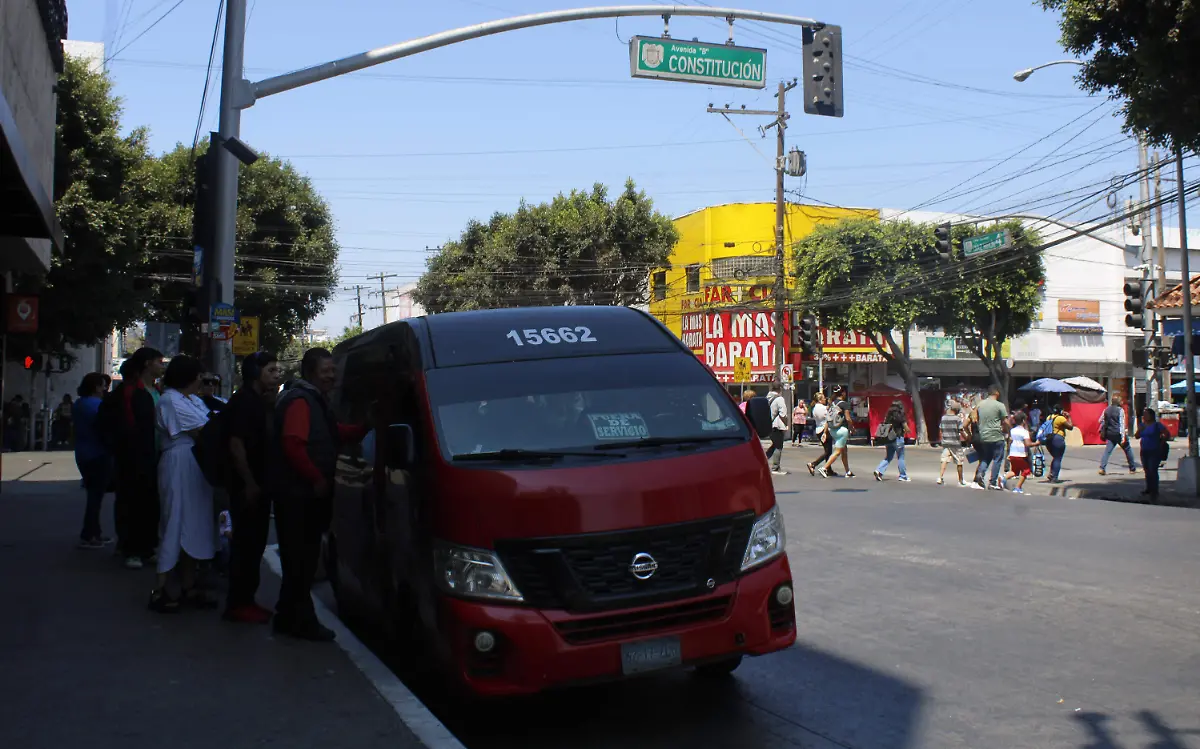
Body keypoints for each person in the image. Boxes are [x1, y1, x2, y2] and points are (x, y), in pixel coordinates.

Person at [269, 348, 366, 641]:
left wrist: (365, 427)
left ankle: (288, 617)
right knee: (301, 561)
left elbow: (332, 432)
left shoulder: (311, 400)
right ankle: (302, 620)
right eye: (326, 371)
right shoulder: (301, 401)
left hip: (298, 495)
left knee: (300, 561)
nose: (332, 375)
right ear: (311, 371)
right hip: (299, 496)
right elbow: (293, 444)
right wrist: (316, 479)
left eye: (333, 370)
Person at [149, 355, 217, 612]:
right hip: (179, 462)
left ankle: (188, 586)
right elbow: (203, 430)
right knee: (174, 520)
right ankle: (162, 588)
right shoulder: (170, 400)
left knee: (195, 523)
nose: (202, 379)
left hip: (195, 464)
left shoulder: (193, 400)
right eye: (199, 375)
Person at [223, 351, 284, 624]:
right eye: (271, 370)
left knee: (254, 543)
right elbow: (236, 445)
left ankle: (246, 599)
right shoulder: (245, 402)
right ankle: (239, 603)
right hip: (249, 487)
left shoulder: (258, 401)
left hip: (258, 484)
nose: (277, 375)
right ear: (256, 373)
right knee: (247, 544)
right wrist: (249, 482)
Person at [107, 347, 165, 570]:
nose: (162, 366)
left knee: (151, 504)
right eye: (159, 362)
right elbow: (112, 424)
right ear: (147, 364)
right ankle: (131, 548)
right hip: (133, 458)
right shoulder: (128, 392)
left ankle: (148, 547)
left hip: (156, 455)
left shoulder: (157, 390)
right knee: (132, 502)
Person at [73, 373, 112, 549]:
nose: (105, 389)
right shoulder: (96, 405)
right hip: (97, 453)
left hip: (84, 453)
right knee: (95, 497)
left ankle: (94, 532)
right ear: (97, 387)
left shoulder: (80, 403)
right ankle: (90, 534)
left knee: (94, 495)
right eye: (103, 385)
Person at [973, 386, 1008, 491]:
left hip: (984, 436)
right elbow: (1005, 421)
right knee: (997, 459)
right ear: (996, 393)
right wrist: (1008, 430)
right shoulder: (1000, 405)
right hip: (996, 436)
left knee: (986, 458)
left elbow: (975, 418)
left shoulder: (980, 404)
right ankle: (992, 482)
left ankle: (980, 474)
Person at [817, 386, 854, 478]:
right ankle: (824, 468)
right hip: (842, 431)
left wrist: (825, 432)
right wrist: (852, 428)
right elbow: (848, 418)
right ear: (843, 393)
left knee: (843, 450)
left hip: (832, 430)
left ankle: (848, 471)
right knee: (838, 451)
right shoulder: (844, 404)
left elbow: (827, 419)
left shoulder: (832, 404)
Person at [1136, 408, 1170, 503]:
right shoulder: (1142, 425)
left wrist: (1162, 442)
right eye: (1144, 414)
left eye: (1146, 414)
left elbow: (1167, 434)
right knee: (1147, 470)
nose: (1145, 416)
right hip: (1144, 450)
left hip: (1154, 450)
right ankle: (1148, 488)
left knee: (1153, 470)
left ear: (1151, 416)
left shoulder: (1157, 425)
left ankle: (1155, 490)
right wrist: (1139, 430)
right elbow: (1137, 436)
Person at [1098, 395, 1137, 476]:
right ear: (1118, 402)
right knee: (1127, 449)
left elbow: (1100, 420)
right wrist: (1123, 437)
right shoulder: (1120, 410)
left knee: (1107, 451)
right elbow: (1122, 424)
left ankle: (1102, 468)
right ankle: (1132, 468)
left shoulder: (1107, 409)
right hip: (1118, 433)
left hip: (1110, 433)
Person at [873, 400, 910, 482]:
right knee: (901, 457)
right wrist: (908, 431)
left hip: (889, 438)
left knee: (888, 457)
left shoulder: (888, 415)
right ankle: (903, 476)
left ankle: (879, 470)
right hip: (898, 437)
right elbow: (905, 426)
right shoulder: (900, 414)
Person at [937, 403, 968, 487]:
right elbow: (961, 430)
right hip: (955, 443)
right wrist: (967, 438)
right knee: (959, 461)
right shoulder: (957, 419)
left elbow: (941, 429)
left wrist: (941, 439)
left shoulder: (943, 418)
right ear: (957, 410)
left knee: (944, 459)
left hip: (946, 442)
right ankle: (961, 480)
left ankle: (940, 477)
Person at [1041, 405, 1074, 484]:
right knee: (1058, 458)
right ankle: (1054, 477)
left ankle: (1051, 473)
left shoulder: (1049, 417)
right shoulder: (1060, 418)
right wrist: (1069, 417)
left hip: (1048, 440)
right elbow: (1070, 427)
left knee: (1055, 457)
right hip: (1058, 439)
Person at [1004, 412, 1035, 494]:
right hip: (1021, 454)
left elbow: (1010, 441)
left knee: (1014, 471)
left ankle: (1003, 478)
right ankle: (1017, 487)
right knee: (1026, 471)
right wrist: (1037, 443)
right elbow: (1028, 444)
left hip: (1013, 453)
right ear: (1024, 421)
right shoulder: (1024, 432)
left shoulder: (1012, 431)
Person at [806, 393, 833, 476]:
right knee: (828, 451)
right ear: (820, 400)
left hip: (818, 429)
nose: (825, 399)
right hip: (824, 430)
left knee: (827, 450)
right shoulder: (822, 408)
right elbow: (829, 417)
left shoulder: (815, 408)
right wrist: (830, 404)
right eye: (824, 398)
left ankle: (829, 469)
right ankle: (813, 464)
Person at [764, 387, 788, 476]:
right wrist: (786, 423)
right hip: (777, 425)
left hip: (769, 424)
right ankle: (775, 467)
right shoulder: (779, 399)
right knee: (778, 446)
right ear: (780, 389)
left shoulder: (767, 398)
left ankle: (763, 459)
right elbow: (783, 414)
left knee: (775, 445)